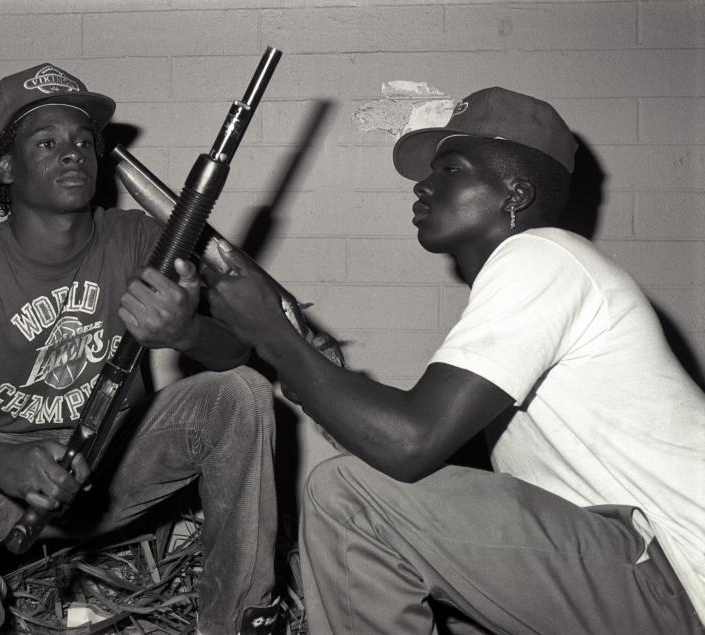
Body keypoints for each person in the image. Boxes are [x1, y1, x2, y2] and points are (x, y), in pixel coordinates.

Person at [204, 87, 705, 633]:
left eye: (450, 169)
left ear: (515, 193)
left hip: (674, 574)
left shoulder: (542, 257)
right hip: (634, 570)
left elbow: (409, 444)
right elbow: (420, 452)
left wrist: (276, 337)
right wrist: (304, 366)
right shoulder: (533, 282)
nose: (422, 185)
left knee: (347, 496)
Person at [0, 63, 280, 635]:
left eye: (82, 142)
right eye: (46, 142)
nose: (72, 153)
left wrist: (186, 333)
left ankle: (236, 618)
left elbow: (238, 355)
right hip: (2, 476)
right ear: (6, 166)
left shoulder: (143, 239)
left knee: (240, 393)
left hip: (119, 452)